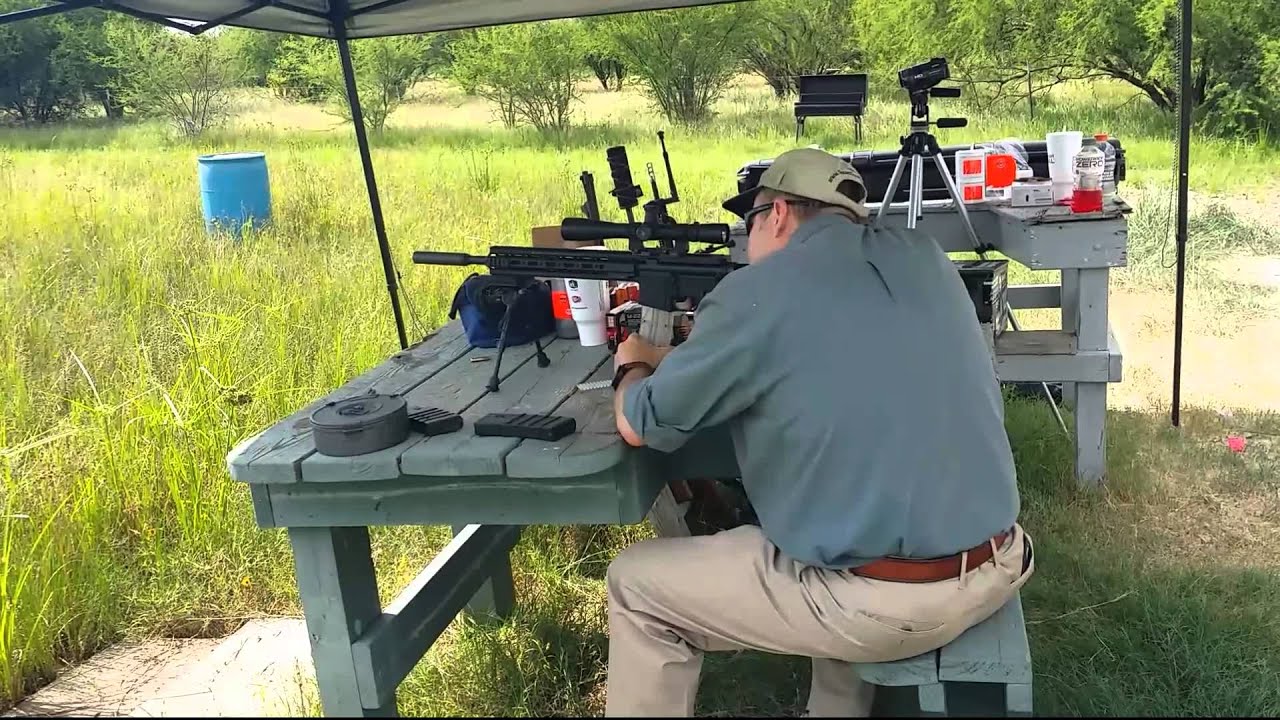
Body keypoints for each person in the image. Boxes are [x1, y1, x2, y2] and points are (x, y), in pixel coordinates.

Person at [603, 147, 1035, 717]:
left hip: (886, 601)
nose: (746, 237)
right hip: (997, 560)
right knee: (846, 512)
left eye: (749, 222)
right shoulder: (924, 257)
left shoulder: (759, 291)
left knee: (635, 588)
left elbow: (641, 423)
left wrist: (632, 364)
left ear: (777, 213)